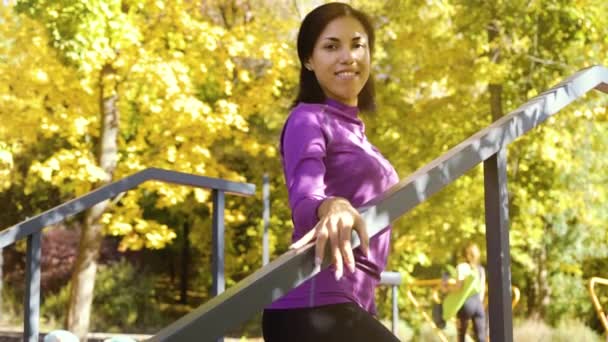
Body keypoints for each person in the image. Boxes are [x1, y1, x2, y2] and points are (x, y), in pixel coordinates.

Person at [262, 3, 400, 341]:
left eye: (357, 44)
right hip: (311, 306)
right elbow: (305, 196)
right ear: (308, 60)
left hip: (351, 305)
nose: (348, 56)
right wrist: (331, 205)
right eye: (331, 46)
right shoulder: (307, 118)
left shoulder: (360, 137)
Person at [455, 242, 486, 342]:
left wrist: (448, 289)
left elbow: (459, 287)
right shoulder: (480, 269)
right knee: (481, 336)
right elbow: (481, 289)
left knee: (462, 335)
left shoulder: (462, 267)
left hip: (466, 303)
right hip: (478, 303)